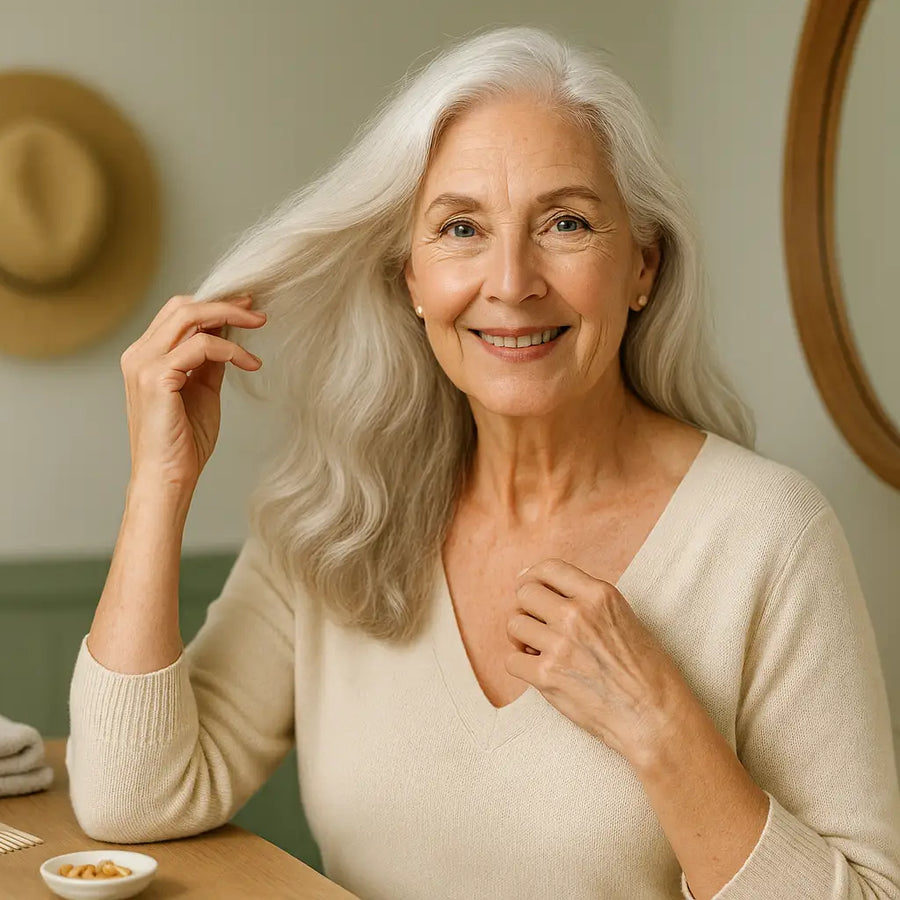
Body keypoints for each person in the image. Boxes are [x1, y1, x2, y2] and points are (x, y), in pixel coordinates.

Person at [66, 25, 900, 900]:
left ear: (642, 266)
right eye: (461, 227)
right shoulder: (339, 519)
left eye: (566, 222)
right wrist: (158, 485)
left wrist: (661, 725)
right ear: (412, 279)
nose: (510, 281)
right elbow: (131, 800)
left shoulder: (768, 534)